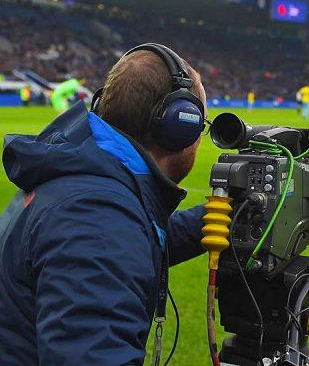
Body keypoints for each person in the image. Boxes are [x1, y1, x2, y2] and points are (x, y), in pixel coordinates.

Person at [0, 43, 210, 365]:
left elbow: (132, 237)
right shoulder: (94, 216)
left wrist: (224, 215)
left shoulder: (93, 189)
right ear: (180, 128)